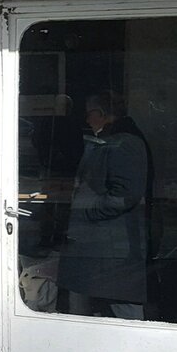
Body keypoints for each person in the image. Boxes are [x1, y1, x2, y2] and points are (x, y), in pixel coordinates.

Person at [58, 91, 150, 320]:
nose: (87, 120)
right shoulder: (111, 139)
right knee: (92, 300)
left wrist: (86, 210)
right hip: (103, 240)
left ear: (101, 114)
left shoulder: (124, 142)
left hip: (112, 241)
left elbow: (125, 195)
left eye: (89, 114)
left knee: (122, 304)